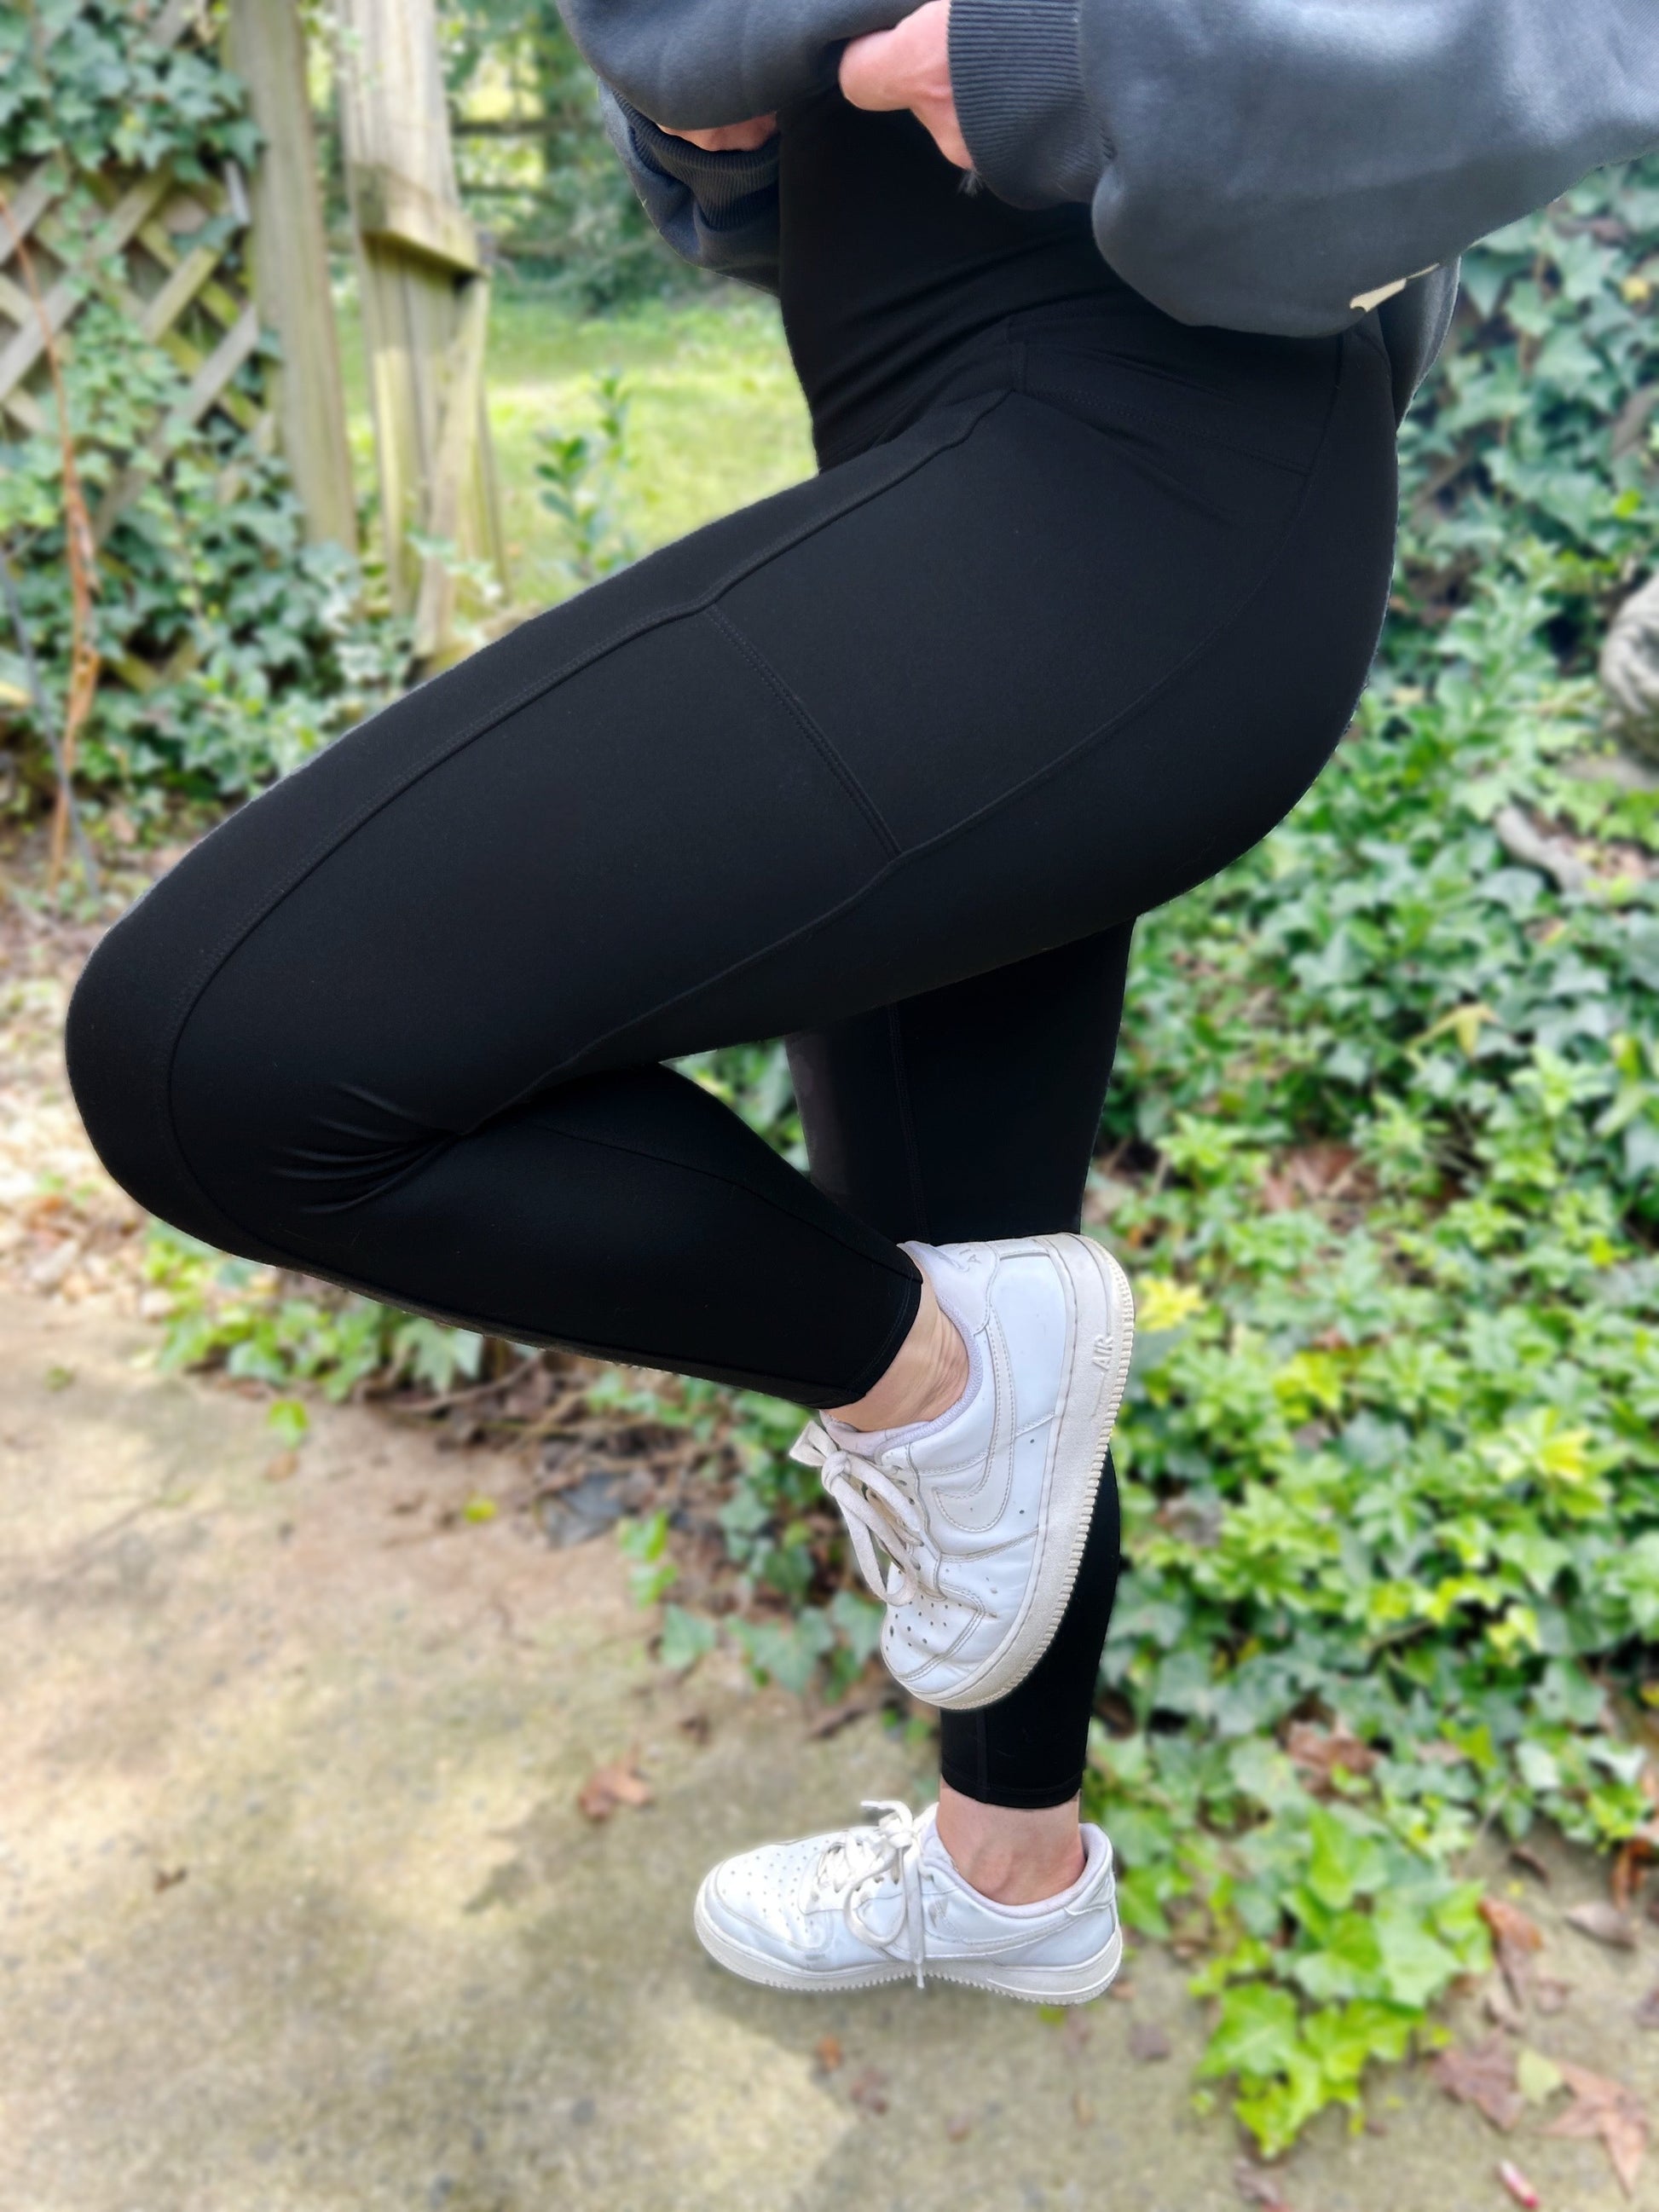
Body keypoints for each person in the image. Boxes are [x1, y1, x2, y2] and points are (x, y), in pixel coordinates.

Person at [67, 0, 1659, 2002]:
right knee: (972, 1245)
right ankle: (1013, 1875)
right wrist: (714, 134)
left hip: (1142, 477)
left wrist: (1046, 65)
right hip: (970, 454)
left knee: (212, 1058)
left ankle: (933, 1385)